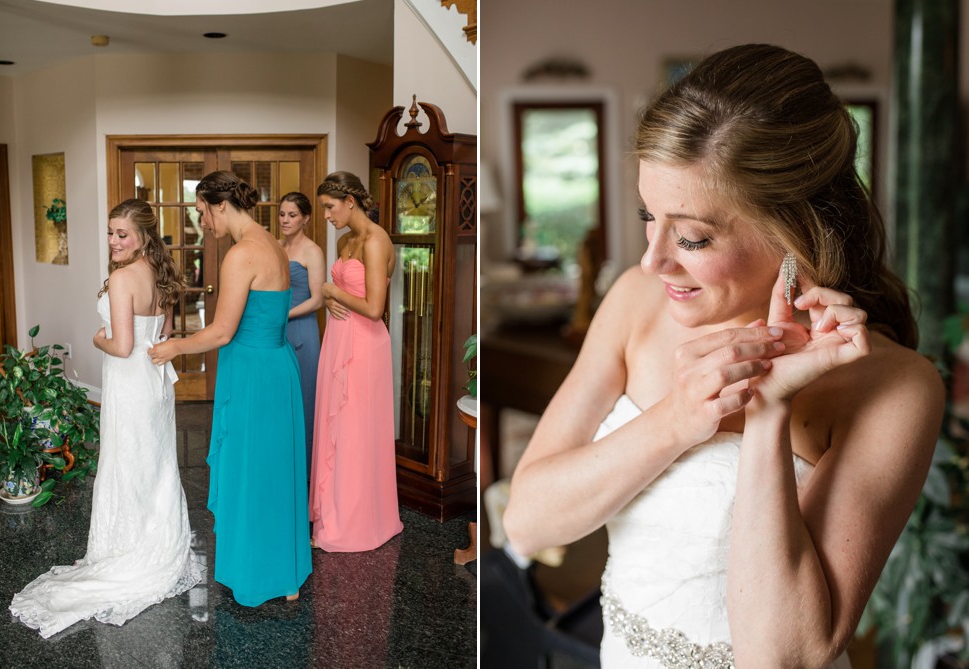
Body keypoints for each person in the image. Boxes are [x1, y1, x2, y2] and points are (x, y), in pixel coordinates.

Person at [502, 44, 944, 668]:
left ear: (794, 231)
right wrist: (678, 419)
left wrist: (768, 414)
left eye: (692, 236)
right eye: (647, 216)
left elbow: (781, 655)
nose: (653, 259)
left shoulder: (896, 387)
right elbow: (527, 525)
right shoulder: (635, 301)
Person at [10, 198, 204, 638]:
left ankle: (128, 548)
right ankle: (156, 544)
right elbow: (166, 334)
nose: (114, 241)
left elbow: (119, 345)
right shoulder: (162, 274)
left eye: (123, 234)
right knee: (153, 463)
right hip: (153, 383)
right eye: (111, 232)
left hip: (131, 384)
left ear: (143, 236)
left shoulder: (121, 279)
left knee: (126, 462)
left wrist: (97, 338)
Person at [149, 170, 311, 606]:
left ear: (220, 204)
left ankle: (256, 574)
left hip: (254, 373)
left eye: (202, 211)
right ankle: (288, 576)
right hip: (279, 366)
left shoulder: (241, 254)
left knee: (252, 470)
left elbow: (221, 332)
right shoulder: (274, 245)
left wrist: (174, 347)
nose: (203, 222)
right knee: (276, 469)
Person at [309, 171, 403, 552]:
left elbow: (375, 308)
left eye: (330, 208)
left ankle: (358, 520)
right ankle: (333, 512)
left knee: (355, 432)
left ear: (351, 201)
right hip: (337, 337)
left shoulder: (376, 242)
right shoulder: (346, 241)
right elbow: (345, 293)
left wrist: (331, 290)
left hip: (364, 346)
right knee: (336, 426)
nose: (328, 216)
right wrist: (330, 299)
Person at [278, 191, 325, 481]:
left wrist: (282, 316)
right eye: (282, 214)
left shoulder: (312, 251)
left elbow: (318, 300)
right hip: (277, 331)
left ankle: (305, 481)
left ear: (305, 218)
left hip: (303, 331)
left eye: (292, 214)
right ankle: (284, 473)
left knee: (305, 403)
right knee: (281, 403)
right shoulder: (276, 247)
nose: (285, 219)